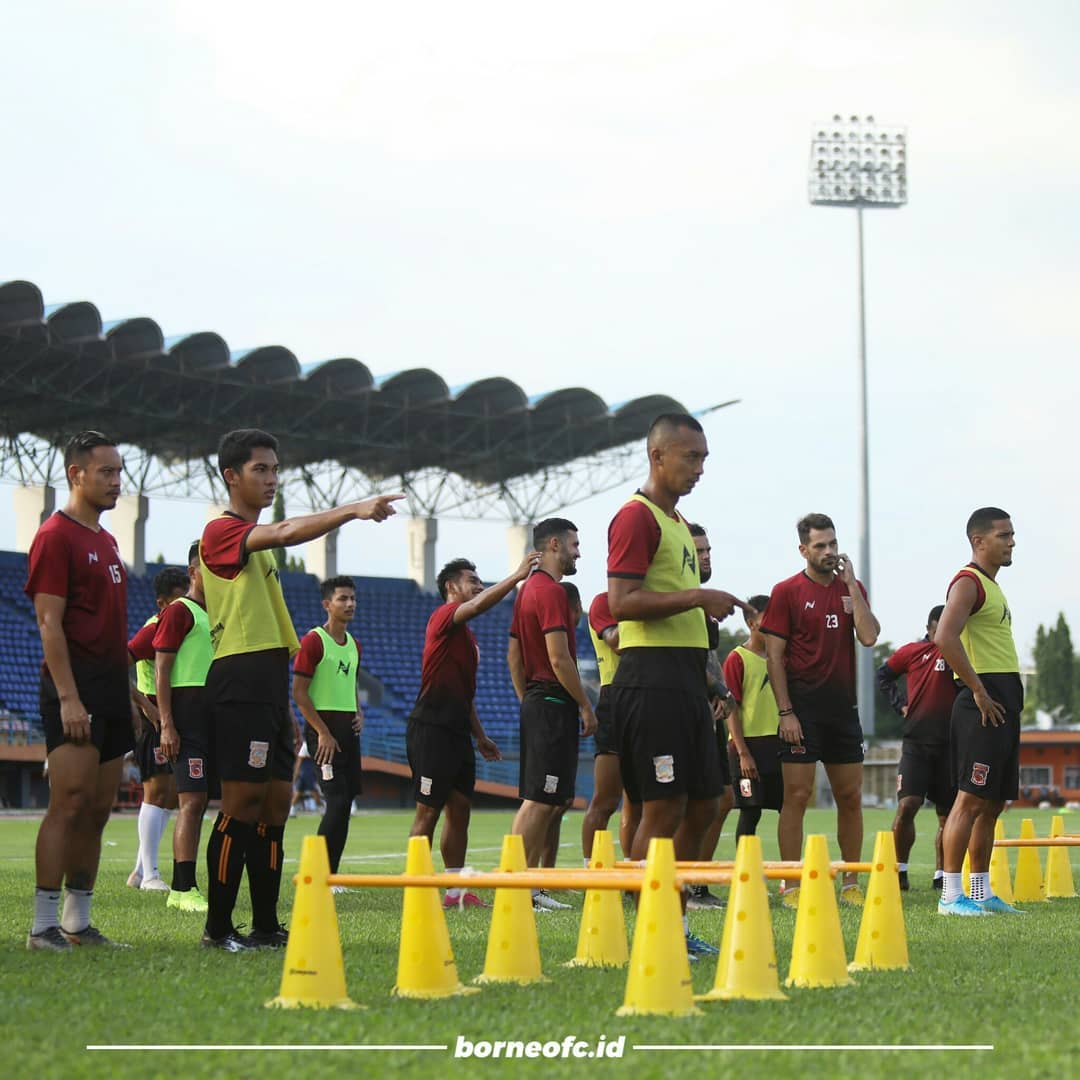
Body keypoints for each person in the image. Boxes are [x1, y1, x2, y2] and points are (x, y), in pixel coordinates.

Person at [199, 427, 401, 951]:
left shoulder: (257, 549)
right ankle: (217, 929)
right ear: (231, 476)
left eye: (274, 469)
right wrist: (354, 509)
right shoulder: (220, 532)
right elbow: (287, 531)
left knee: (275, 805)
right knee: (240, 804)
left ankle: (266, 925)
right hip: (238, 679)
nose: (271, 478)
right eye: (259, 469)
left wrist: (285, 705)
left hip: (266, 687)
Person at [606, 414, 742, 958]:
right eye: (692, 457)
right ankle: (652, 931)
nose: (701, 468)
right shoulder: (634, 518)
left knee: (708, 804)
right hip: (651, 681)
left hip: (687, 682)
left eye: (705, 458)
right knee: (660, 809)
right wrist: (695, 599)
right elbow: (621, 602)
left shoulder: (679, 523)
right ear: (658, 456)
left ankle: (674, 919)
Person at [25, 431, 132, 949]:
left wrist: (132, 692)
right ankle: (43, 925)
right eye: (106, 472)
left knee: (96, 810)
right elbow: (49, 623)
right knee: (67, 803)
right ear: (77, 474)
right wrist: (69, 697)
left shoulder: (107, 539)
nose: (116, 482)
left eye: (119, 472)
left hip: (113, 690)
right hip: (76, 691)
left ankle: (77, 921)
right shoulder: (56, 535)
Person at [760, 512, 879, 907]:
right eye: (820, 546)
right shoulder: (787, 591)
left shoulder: (851, 587)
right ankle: (792, 883)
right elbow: (773, 658)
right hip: (801, 710)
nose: (829, 552)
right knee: (796, 795)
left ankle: (850, 881)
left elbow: (869, 636)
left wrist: (853, 589)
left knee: (850, 796)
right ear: (803, 550)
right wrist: (785, 712)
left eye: (833, 544)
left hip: (843, 709)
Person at [408, 551, 539, 909]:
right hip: (430, 728)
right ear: (451, 587)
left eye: (481, 581)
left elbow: (464, 695)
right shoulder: (443, 617)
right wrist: (515, 578)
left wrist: (479, 735)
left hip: (456, 732)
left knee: (461, 809)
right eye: (473, 582)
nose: (479, 586)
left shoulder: (469, 641)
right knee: (428, 813)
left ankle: (454, 890)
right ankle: (416, 890)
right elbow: (480, 606)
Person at [935, 508, 1024, 916]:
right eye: (1003, 535)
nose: (1011, 542)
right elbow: (944, 637)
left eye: (1011, 535)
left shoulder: (993, 586)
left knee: (992, 803)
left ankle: (980, 889)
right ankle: (951, 896)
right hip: (981, 703)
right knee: (969, 799)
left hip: (1003, 697)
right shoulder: (969, 582)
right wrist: (977, 690)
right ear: (979, 541)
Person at [508, 518, 596, 912]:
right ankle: (518, 889)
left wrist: (525, 695)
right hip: (552, 703)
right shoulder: (552, 592)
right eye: (575, 544)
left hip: (540, 701)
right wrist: (584, 704)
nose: (579, 552)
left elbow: (513, 652)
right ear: (555, 545)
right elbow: (559, 658)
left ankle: (530, 886)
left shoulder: (528, 590)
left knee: (548, 800)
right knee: (540, 801)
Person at [877, 604, 958, 891]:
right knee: (908, 805)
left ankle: (942, 875)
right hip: (916, 743)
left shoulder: (962, 654)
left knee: (948, 815)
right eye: (939, 630)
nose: (944, 635)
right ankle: (899, 870)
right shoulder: (912, 652)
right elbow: (883, 675)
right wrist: (900, 704)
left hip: (951, 746)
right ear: (929, 629)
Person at [291, 576, 365, 884]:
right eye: (342, 599)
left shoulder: (354, 645)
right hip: (324, 734)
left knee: (345, 803)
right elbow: (299, 692)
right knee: (335, 802)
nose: (350, 604)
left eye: (352, 599)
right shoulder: (313, 641)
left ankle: (331, 877)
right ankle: (318, 875)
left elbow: (351, 684)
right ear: (327, 604)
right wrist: (321, 732)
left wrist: (359, 712)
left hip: (348, 733)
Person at [155, 541, 216, 913]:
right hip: (187, 720)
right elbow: (162, 668)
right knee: (191, 801)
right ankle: (181, 888)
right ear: (194, 572)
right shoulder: (180, 611)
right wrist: (167, 725)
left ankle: (193, 883)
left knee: (204, 801)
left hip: (213, 721)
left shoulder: (216, 614)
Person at [125, 566, 188, 891]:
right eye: (179, 598)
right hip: (156, 723)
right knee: (156, 793)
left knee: (170, 795)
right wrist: (145, 705)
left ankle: (139, 872)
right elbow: (120, 663)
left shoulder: (182, 625)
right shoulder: (153, 630)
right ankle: (150, 874)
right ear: (163, 602)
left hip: (172, 720)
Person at [685, 522, 734, 911]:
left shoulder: (702, 604)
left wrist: (721, 694)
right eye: (698, 551)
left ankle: (695, 886)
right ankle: (676, 886)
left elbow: (706, 657)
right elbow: (682, 657)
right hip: (683, 709)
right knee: (685, 803)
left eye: (708, 550)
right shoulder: (680, 599)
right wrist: (717, 689)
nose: (705, 557)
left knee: (722, 799)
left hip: (710, 710)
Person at [723, 595, 784, 845]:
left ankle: (787, 878)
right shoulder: (737, 658)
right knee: (751, 811)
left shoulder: (781, 658)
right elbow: (731, 708)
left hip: (779, 745)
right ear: (751, 623)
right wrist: (743, 752)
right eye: (767, 618)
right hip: (748, 747)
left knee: (788, 808)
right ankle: (744, 876)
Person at [581, 587, 623, 864]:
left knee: (644, 803)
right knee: (606, 800)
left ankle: (638, 874)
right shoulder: (604, 602)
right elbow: (617, 642)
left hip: (654, 699)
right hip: (616, 698)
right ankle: (590, 871)